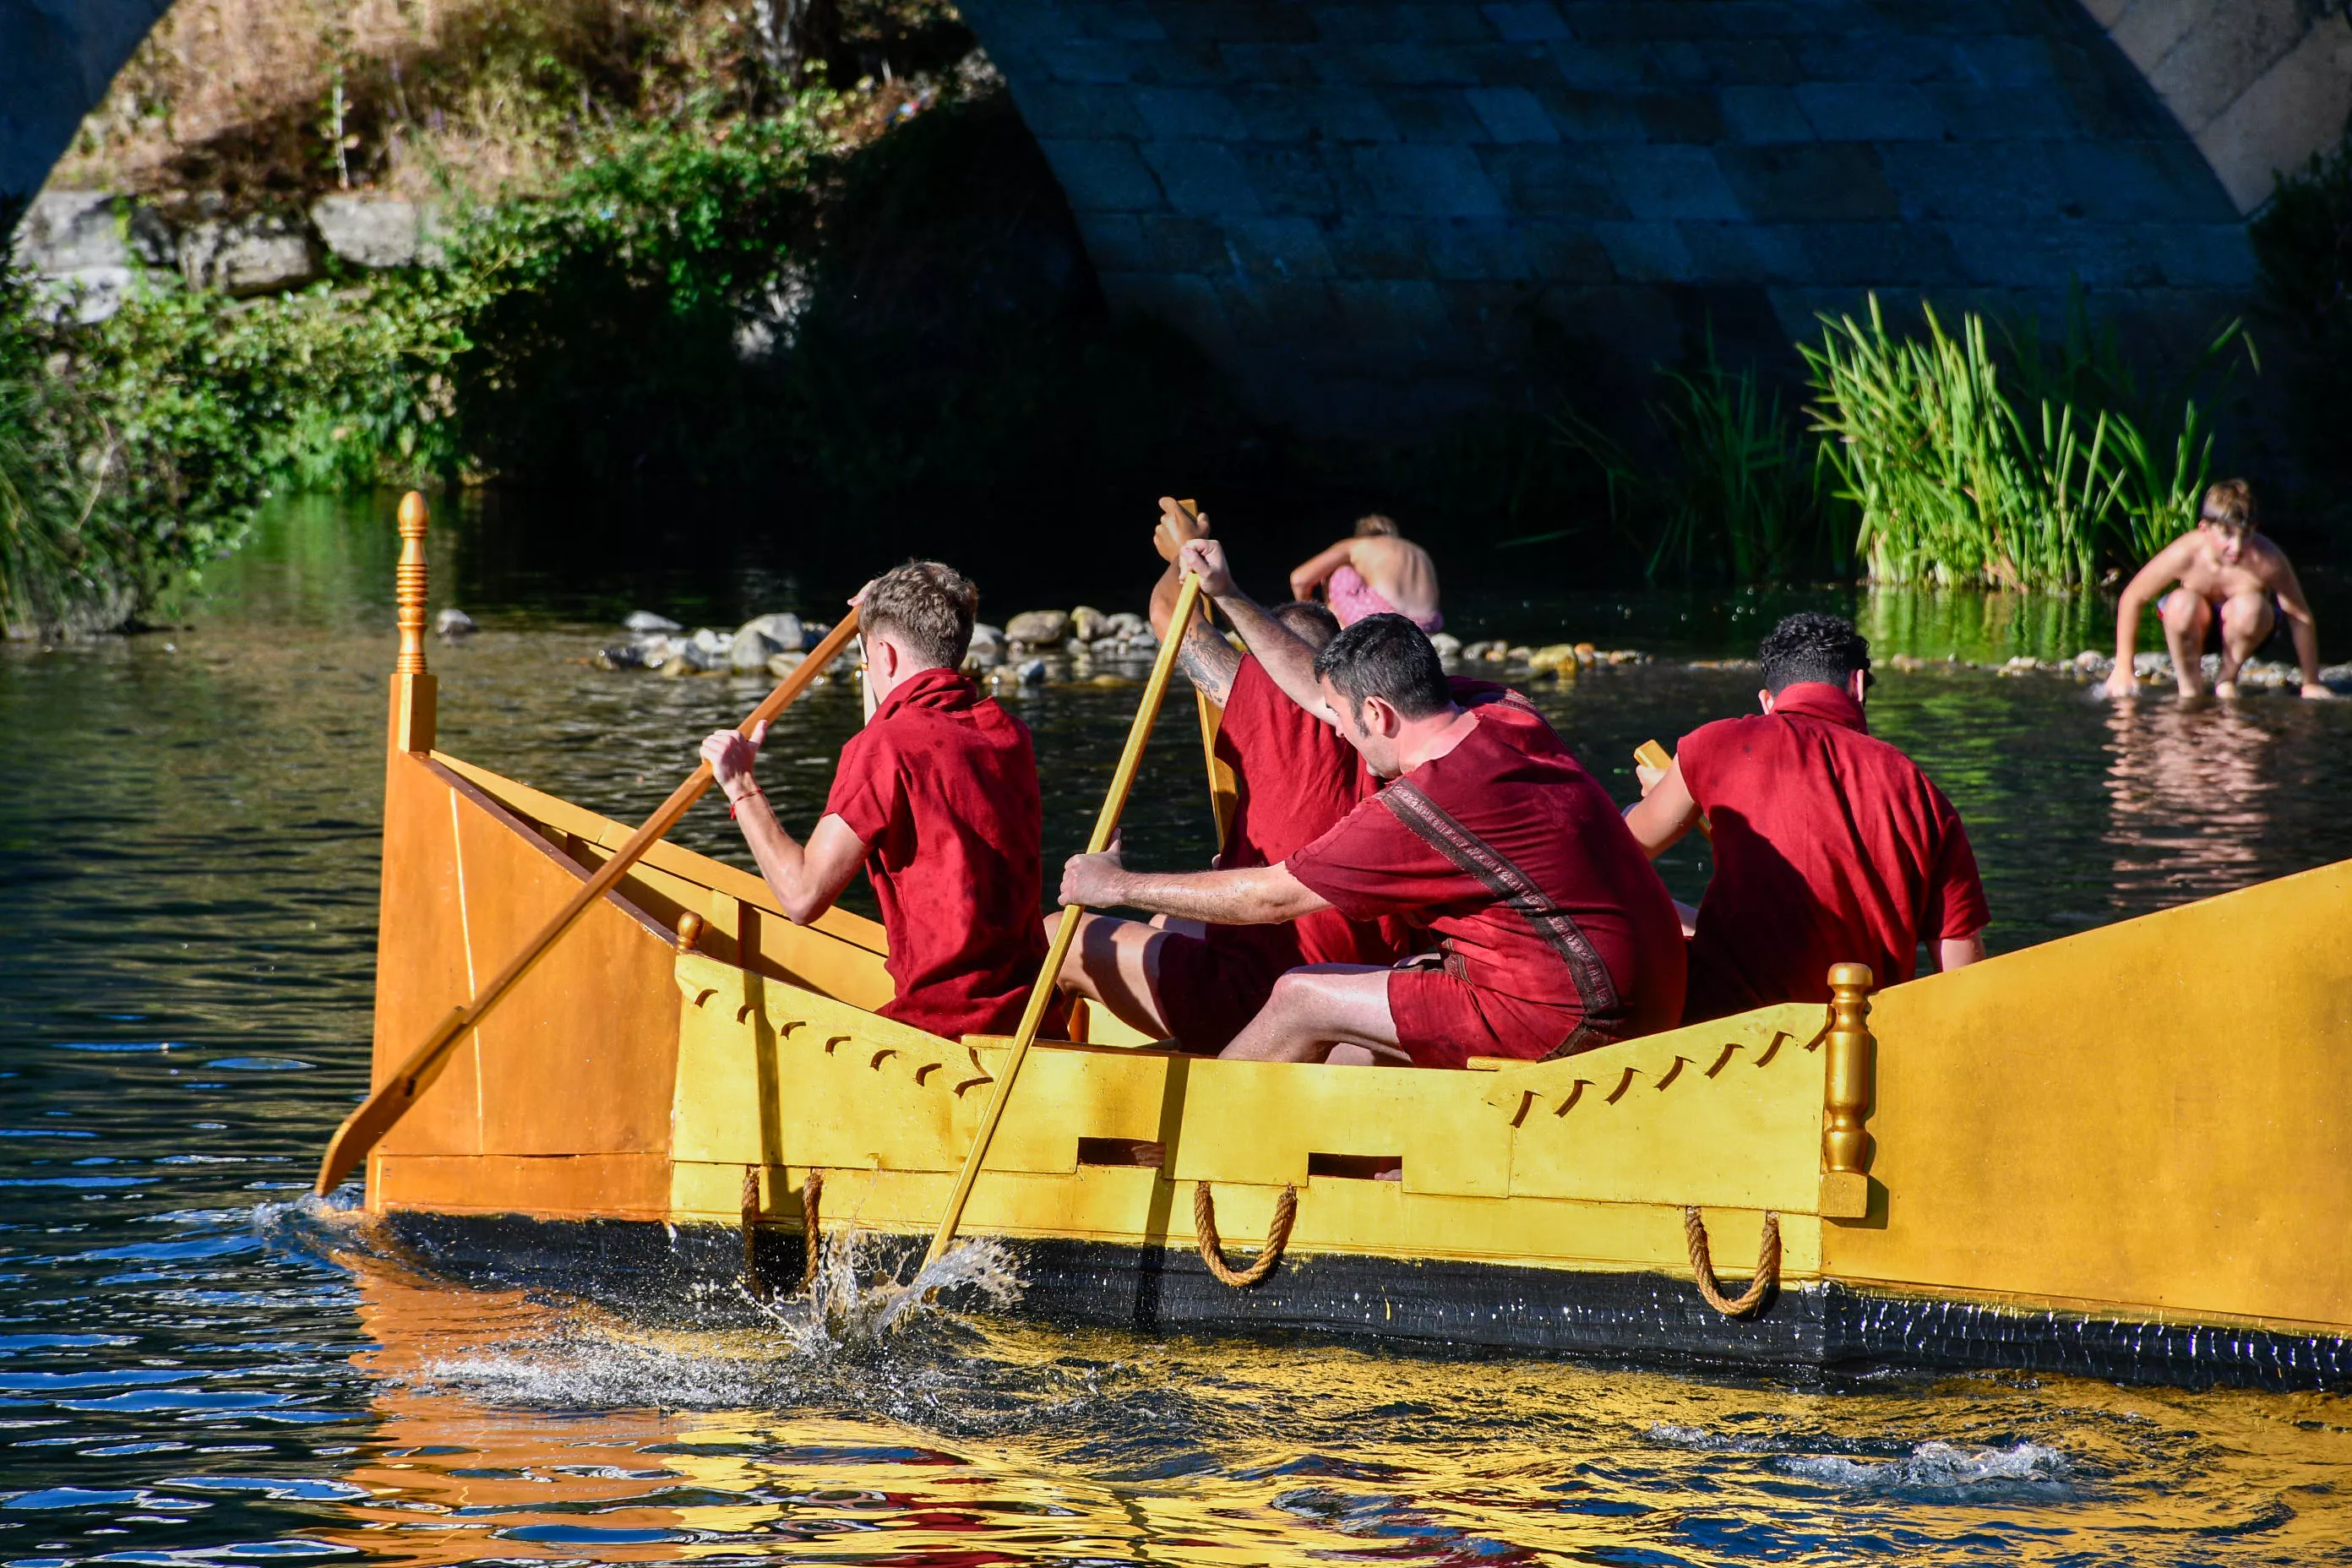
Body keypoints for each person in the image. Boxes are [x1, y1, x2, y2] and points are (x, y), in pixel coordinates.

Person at [1059, 537, 1685, 1068]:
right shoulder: (1504, 712)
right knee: (1377, 998)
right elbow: (1310, 690)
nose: (1331, 729)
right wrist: (1227, 593)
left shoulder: (1425, 805)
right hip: (1646, 986)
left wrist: (1115, 884)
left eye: (1342, 720)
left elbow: (1273, 898)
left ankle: (1196, 1149)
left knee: (1302, 995)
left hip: (1583, 1012)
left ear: (1379, 713)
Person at [1054, 504, 1398, 1053]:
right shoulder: (1387, 729)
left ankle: (1046, 1086)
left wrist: (1181, 555)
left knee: (1058, 935)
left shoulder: (1269, 698)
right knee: (1167, 917)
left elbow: (1172, 619)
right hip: (1363, 980)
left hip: (1261, 993)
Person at [699, 561, 1061, 1042]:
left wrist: (740, 784)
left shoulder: (886, 750)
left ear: (884, 656)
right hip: (1031, 1019)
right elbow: (898, 724)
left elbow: (802, 896)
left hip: (943, 1030)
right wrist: (871, 629)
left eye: (868, 660)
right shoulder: (1010, 736)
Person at [1622, 612, 1989, 1024]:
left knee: (1645, 905)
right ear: (1859, 686)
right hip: (1863, 1040)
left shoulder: (1714, 745)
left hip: (1732, 1036)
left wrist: (1666, 790)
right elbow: (1962, 975)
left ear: (1766, 702)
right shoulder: (1920, 792)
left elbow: (1617, 855)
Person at [2102, 479, 2331, 701]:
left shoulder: (2267, 558)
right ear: (2204, 528)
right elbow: (2133, 597)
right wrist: (2123, 667)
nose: (2238, 547)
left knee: (2250, 606)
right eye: (2227, 534)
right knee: (2181, 602)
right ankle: (2189, 688)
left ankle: (2226, 680)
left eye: (2246, 534)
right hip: (2194, 627)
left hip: (2245, 630)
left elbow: (2299, 615)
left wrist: (2311, 682)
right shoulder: (2185, 552)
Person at [1289, 513, 1442, 633]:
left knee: (1340, 572)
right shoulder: (1419, 551)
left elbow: (1300, 579)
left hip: (1383, 621)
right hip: (1428, 624)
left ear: (1361, 534)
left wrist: (1309, 615)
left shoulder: (1358, 545)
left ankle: (1333, 631)